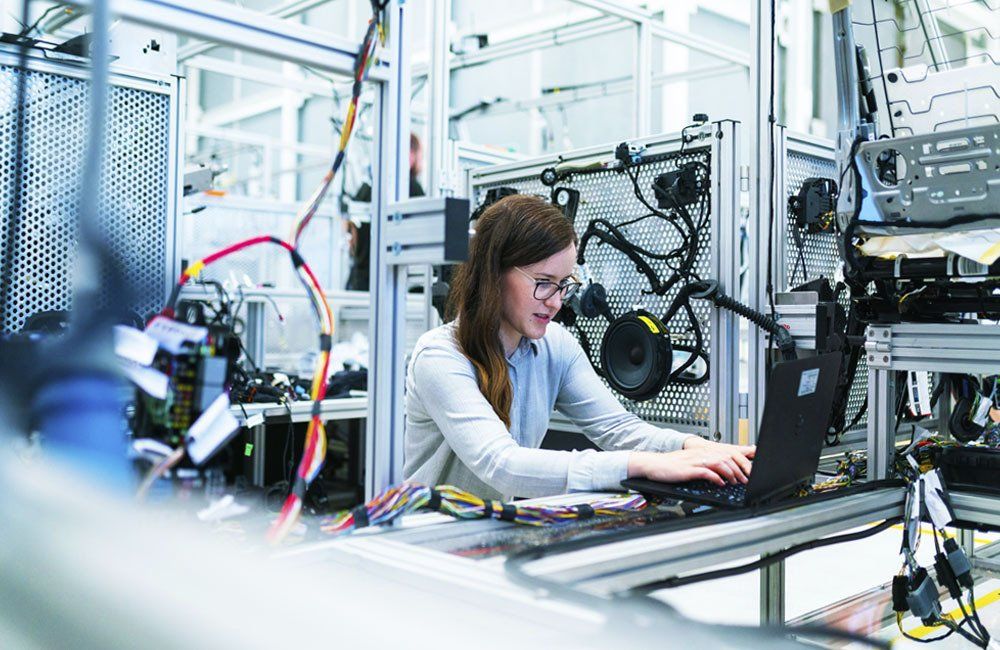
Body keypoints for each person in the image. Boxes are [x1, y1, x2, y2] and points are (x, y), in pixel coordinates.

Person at [403, 194, 755, 500]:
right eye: (543, 283)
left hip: (490, 533)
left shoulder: (555, 346)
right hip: (431, 542)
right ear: (494, 274)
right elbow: (502, 465)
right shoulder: (440, 357)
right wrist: (644, 465)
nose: (556, 302)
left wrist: (693, 448)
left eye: (564, 285)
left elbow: (618, 429)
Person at [345, 133, 425, 291]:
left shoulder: (367, 187)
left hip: (358, 283)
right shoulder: (411, 187)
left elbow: (350, 233)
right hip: (390, 284)